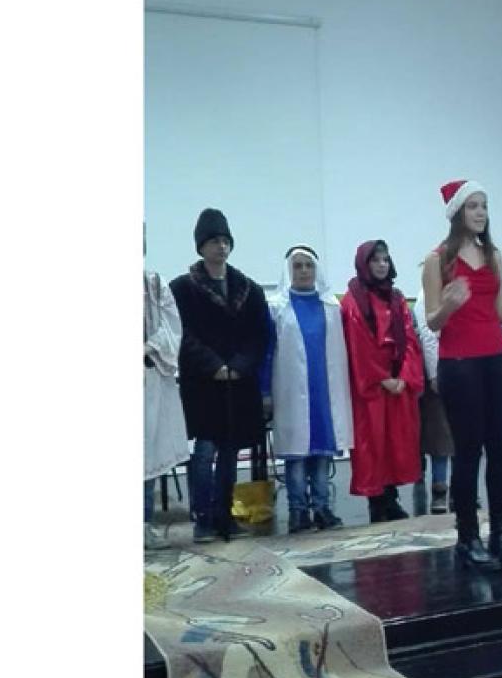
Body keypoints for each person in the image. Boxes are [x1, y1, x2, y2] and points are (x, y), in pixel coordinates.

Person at [421, 179, 502, 571]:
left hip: (496, 361)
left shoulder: (492, 255)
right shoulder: (437, 259)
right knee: (468, 452)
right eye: (473, 205)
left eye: (484, 206)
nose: (480, 212)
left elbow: (499, 313)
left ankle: (501, 536)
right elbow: (432, 322)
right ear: (457, 212)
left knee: (500, 449)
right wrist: (449, 306)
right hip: (459, 365)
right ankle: (467, 537)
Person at [170, 208, 269, 543]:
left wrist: (239, 365)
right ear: (201, 246)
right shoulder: (182, 289)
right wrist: (213, 365)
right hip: (203, 383)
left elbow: (259, 336)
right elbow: (181, 334)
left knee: (230, 450)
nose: (221, 247)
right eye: (214, 241)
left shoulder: (248, 289)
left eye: (225, 241)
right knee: (204, 451)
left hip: (238, 384)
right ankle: (203, 518)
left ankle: (225, 516)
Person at [264, 245, 352, 533]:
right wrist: (265, 391)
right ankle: (298, 511)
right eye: (297, 266)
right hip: (290, 391)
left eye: (308, 265)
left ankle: (323, 508)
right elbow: (267, 352)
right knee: (297, 454)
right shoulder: (276, 307)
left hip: (324, 391)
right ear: (288, 270)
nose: (303, 271)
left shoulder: (331, 308)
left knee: (322, 453)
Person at [341, 239, 425, 522]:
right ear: (365, 264)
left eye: (385, 260)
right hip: (372, 387)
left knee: (395, 443)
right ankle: (376, 502)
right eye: (376, 260)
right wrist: (381, 378)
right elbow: (358, 344)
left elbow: (410, 339)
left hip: (397, 382)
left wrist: (404, 376)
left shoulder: (397, 297)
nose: (381, 265)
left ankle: (391, 498)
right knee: (373, 444)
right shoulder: (353, 300)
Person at [144, 224, 190, 550]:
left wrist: (147, 347)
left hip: (149, 379)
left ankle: (143, 524)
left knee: (146, 456)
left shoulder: (154, 284)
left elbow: (172, 328)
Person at [412, 281, 453, 515]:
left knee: (460, 434)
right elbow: (429, 337)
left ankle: (459, 487)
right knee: (440, 436)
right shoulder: (426, 296)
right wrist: (435, 374)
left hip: (460, 368)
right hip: (436, 372)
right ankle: (439, 487)